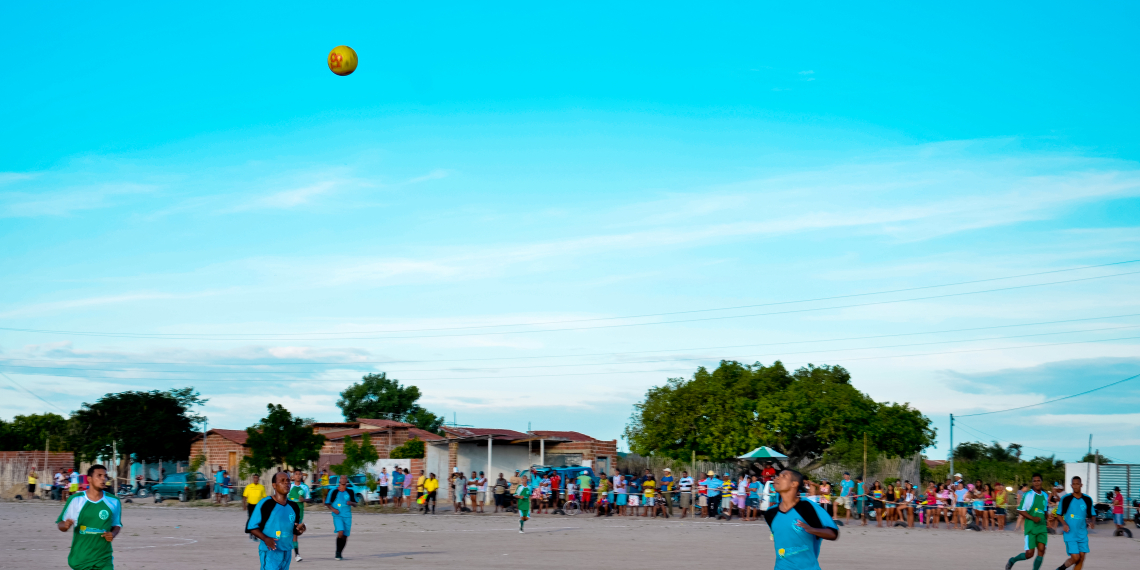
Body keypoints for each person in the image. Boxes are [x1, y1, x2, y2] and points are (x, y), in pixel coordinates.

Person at [763, 469, 838, 570]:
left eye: (783, 476)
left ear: (794, 484)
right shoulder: (770, 513)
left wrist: (812, 530)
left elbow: (833, 534)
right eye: (777, 476)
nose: (777, 478)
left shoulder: (807, 507)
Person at [57, 464, 122, 570]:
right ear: (89, 479)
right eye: (99, 475)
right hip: (81, 559)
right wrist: (65, 525)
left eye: (105, 476)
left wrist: (113, 534)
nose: (103, 479)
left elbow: (116, 525)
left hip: (104, 560)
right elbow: (60, 524)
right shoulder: (75, 500)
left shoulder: (114, 501)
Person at [249, 472, 305, 570]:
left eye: (288, 481)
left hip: (286, 551)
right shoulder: (266, 503)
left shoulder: (294, 506)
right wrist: (266, 539)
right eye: (282, 481)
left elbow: (294, 529)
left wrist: (299, 530)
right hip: (271, 551)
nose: (286, 483)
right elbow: (252, 526)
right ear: (274, 485)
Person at [1006, 474, 1050, 570]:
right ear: (1032, 482)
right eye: (1034, 481)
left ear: (1041, 481)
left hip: (1042, 527)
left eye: (1038, 480)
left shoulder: (1045, 495)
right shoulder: (1028, 495)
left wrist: (1047, 517)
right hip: (1031, 527)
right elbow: (1021, 510)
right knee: (1029, 554)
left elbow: (1045, 509)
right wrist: (1033, 518)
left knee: (1042, 550)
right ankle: (1012, 560)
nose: (1037, 482)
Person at [1053, 475, 1093, 570]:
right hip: (1070, 533)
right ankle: (1062, 568)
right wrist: (1064, 524)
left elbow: (1092, 514)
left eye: (1077, 484)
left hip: (1082, 533)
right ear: (1071, 485)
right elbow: (1059, 514)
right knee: (1076, 557)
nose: (1075, 486)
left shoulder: (1087, 499)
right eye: (1073, 484)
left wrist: (1092, 522)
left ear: (1081, 485)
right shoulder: (1066, 499)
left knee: (1081, 558)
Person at [325, 476, 356, 560]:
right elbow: (327, 503)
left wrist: (351, 503)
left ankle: (340, 552)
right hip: (337, 516)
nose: (343, 479)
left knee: (345, 536)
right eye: (341, 478)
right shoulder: (334, 491)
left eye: (345, 478)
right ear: (339, 480)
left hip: (347, 516)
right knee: (340, 532)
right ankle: (337, 553)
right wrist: (333, 509)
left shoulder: (350, 491)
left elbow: (355, 504)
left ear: (347, 480)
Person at [287, 470, 311, 562]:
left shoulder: (305, 487)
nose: (297, 476)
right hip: (288, 512)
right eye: (296, 474)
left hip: (299, 513)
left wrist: (304, 500)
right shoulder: (290, 486)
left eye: (299, 474)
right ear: (293, 476)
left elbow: (309, 499)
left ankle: (297, 554)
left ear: (301, 476)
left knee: (295, 533)